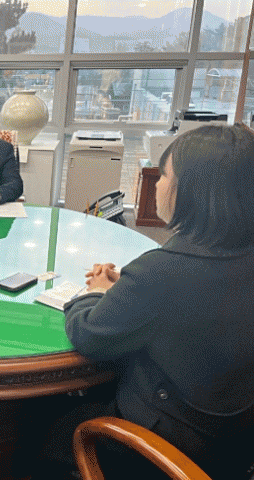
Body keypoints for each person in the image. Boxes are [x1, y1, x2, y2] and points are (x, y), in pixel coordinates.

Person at [54, 124, 254, 479]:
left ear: (191, 193)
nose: (157, 185)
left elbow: (88, 335)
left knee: (37, 426)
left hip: (162, 449)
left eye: (164, 176)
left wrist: (95, 291)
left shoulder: (161, 271)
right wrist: (129, 288)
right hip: (231, 445)